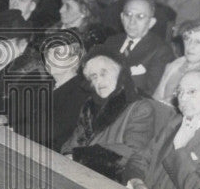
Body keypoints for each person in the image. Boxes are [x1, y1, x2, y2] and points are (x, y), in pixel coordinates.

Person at [60, 50, 155, 180]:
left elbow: (131, 152)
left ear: (120, 73)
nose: (99, 81)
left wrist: (78, 157)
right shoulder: (90, 105)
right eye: (94, 76)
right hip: (80, 175)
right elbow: (73, 142)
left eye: (103, 73)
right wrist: (67, 154)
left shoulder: (140, 108)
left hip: (111, 180)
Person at [102, 0, 174, 98]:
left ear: (151, 23)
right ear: (122, 17)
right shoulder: (111, 42)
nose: (132, 22)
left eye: (140, 16)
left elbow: (150, 93)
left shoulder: (161, 50)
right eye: (128, 15)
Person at [153, 20, 200, 105]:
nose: (190, 46)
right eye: (187, 39)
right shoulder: (176, 64)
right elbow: (155, 98)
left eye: (198, 42)